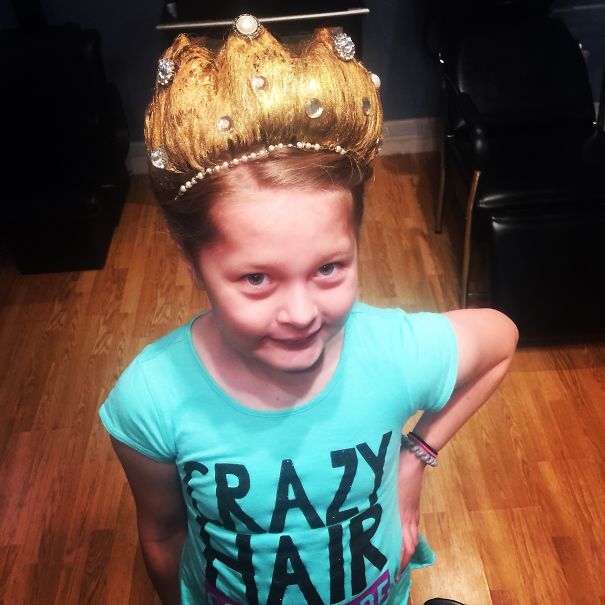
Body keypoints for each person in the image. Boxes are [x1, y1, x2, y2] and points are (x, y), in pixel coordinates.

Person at [99, 14, 518, 605]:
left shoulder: (392, 354)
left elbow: (500, 340)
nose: (301, 314)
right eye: (256, 278)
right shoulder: (152, 398)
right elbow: (163, 531)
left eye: (328, 268)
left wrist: (415, 458)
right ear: (192, 265)